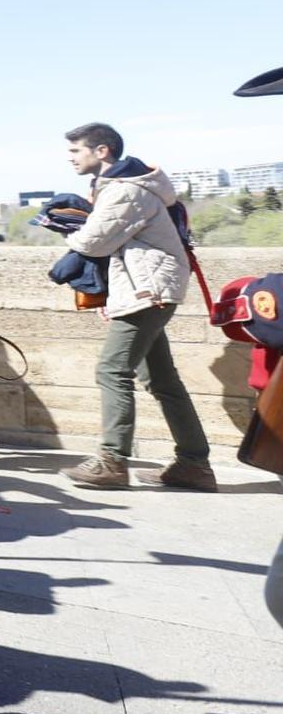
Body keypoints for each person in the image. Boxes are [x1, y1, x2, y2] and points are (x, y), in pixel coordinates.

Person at [57, 122, 214, 491]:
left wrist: (63, 227)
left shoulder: (126, 190)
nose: (70, 159)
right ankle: (194, 464)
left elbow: (94, 242)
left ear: (102, 151)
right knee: (161, 379)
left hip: (149, 291)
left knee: (112, 370)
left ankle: (112, 461)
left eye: (76, 151)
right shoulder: (123, 187)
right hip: (148, 288)